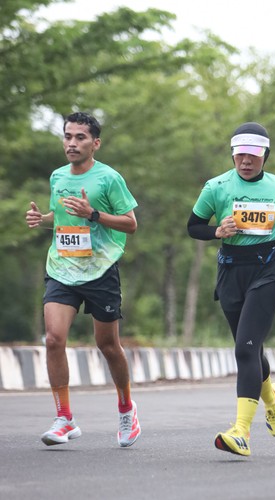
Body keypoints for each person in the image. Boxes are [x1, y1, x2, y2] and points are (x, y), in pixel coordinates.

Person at [187, 122, 275, 456]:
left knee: (244, 349)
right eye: (240, 155)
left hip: (266, 271)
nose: (246, 161)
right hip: (230, 273)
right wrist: (216, 232)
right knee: (251, 349)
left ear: (265, 155)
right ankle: (272, 400)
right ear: (233, 155)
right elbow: (193, 226)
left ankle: (241, 432)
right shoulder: (216, 187)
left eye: (253, 155)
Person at [25, 111, 141, 448]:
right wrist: (42, 219)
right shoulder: (58, 176)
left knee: (108, 346)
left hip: (100, 270)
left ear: (95, 143)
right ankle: (64, 418)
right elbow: (62, 217)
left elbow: (131, 223)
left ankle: (126, 408)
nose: (72, 143)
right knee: (53, 339)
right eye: (68, 136)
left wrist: (94, 214)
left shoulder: (109, 178)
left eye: (80, 137)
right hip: (62, 268)